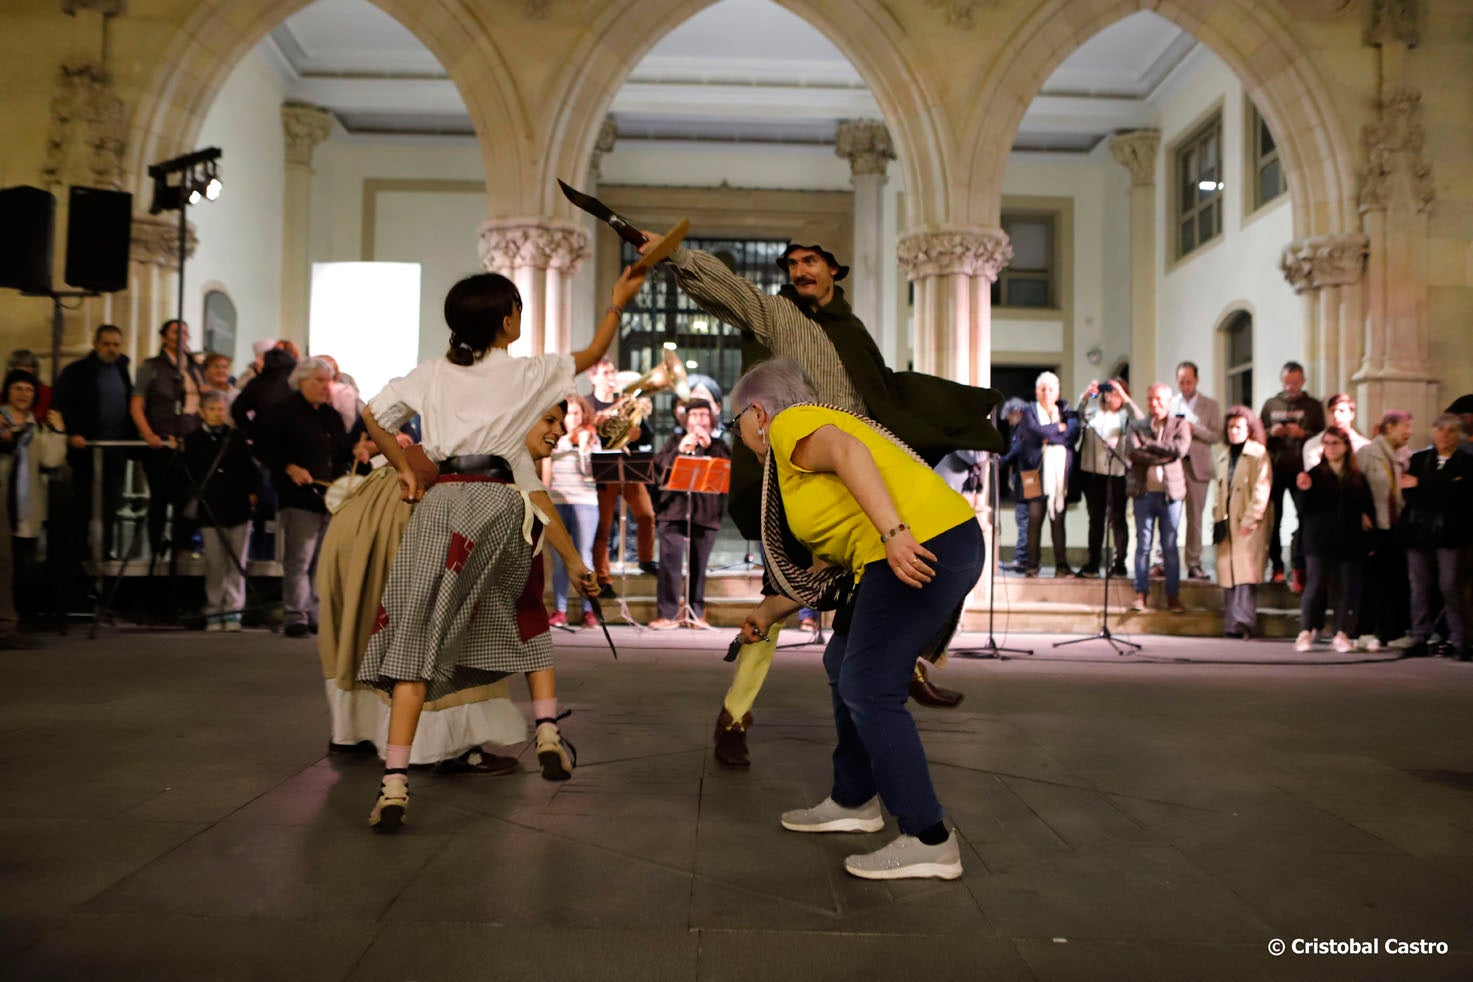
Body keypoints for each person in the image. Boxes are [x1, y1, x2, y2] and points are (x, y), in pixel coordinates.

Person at [640, 230, 997, 762]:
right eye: (792, 263)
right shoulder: (783, 318)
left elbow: (880, 396)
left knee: (903, 571)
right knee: (782, 586)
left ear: (835, 269)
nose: (799, 270)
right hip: (797, 477)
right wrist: (678, 256)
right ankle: (735, 716)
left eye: (810, 260)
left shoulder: (852, 332)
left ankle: (902, 665)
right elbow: (737, 296)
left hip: (855, 484)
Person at [356, 264, 647, 832]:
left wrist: (405, 470)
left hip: (442, 505)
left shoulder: (432, 374)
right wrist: (616, 302)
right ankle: (546, 729)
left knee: (414, 635)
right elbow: (590, 355)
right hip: (499, 502)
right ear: (507, 320)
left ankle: (393, 787)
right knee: (524, 613)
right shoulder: (526, 376)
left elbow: (372, 413)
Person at [729, 359, 981, 880]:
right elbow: (824, 566)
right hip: (915, 544)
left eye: (737, 424)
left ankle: (928, 837)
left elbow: (848, 452)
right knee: (843, 660)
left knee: (869, 686)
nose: (742, 438)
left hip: (920, 544)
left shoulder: (792, 423)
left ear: (758, 413)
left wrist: (892, 534)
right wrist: (767, 612)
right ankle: (854, 801)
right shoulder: (801, 466)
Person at [318, 402, 574, 773]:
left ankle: (355, 730)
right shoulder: (499, 448)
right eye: (550, 420)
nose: (559, 430)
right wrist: (575, 562)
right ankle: (440, 745)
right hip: (417, 512)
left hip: (363, 513)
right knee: (450, 628)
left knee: (369, 622)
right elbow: (538, 503)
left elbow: (377, 415)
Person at [257, 357, 352, 638]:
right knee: (299, 559)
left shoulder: (331, 416)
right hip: (298, 498)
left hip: (329, 498)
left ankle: (315, 613)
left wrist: (362, 450)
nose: (326, 387)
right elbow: (263, 449)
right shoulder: (281, 412)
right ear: (301, 380)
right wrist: (290, 467)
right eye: (319, 381)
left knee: (322, 561)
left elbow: (342, 452)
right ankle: (295, 614)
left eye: (328, 381)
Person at [1292, 425, 1375, 653]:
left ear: (1346, 447)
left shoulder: (1356, 477)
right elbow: (1302, 510)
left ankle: (1341, 633)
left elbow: (1366, 507)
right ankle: (1305, 631)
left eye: (1334, 443)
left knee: (1345, 589)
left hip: (1349, 540)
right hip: (1318, 540)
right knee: (1316, 586)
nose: (1329, 448)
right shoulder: (1314, 475)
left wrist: (1367, 524)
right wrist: (1304, 490)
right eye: (1326, 443)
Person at [648, 398, 730, 629]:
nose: (699, 420)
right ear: (685, 419)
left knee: (698, 566)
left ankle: (696, 613)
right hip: (672, 511)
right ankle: (668, 614)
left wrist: (710, 447)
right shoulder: (674, 441)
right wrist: (679, 451)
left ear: (711, 419)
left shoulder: (720, 445)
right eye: (694, 415)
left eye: (704, 415)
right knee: (669, 565)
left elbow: (727, 472)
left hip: (705, 514)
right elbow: (656, 470)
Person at [181, 389, 259, 630]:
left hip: (238, 507)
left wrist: (251, 496)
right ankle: (214, 610)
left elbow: (250, 471)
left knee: (237, 562)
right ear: (202, 412)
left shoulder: (237, 438)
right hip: (210, 508)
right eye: (212, 409)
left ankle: (234, 611)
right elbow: (187, 475)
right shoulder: (192, 440)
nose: (216, 414)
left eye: (220, 409)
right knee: (214, 563)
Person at [54, 324, 133, 558]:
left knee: (111, 504)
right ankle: (80, 553)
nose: (111, 349)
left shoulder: (122, 369)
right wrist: (72, 432)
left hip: (115, 451)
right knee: (84, 504)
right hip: (86, 451)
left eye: (116, 344)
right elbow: (63, 404)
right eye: (106, 344)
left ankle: (106, 549)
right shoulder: (76, 372)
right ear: (96, 344)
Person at [1400, 414, 1473, 660]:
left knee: (1451, 586)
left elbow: (1461, 497)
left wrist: (1423, 485)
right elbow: (1409, 494)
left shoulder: (1467, 462)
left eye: (1450, 431)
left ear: (1458, 435)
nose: (1444, 435)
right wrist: (1442, 487)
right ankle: (1420, 636)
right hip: (1419, 532)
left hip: (1452, 533)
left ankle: (1461, 640)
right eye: (1440, 429)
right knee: (1419, 587)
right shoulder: (1419, 459)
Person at [130, 319, 205, 558]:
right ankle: (155, 554)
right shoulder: (151, 367)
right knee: (160, 500)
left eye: (185, 332)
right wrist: (148, 433)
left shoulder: (194, 368)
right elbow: (136, 404)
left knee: (187, 502)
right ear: (164, 337)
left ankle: (182, 552)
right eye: (175, 332)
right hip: (161, 444)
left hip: (190, 444)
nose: (181, 336)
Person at [586, 356, 657, 595]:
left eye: (612, 371)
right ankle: (604, 579)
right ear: (592, 376)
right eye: (605, 372)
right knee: (603, 527)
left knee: (646, 515)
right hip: (603, 472)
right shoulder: (588, 405)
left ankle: (646, 559)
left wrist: (638, 435)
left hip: (629, 467)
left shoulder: (626, 402)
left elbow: (647, 437)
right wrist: (597, 424)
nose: (611, 377)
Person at [0, 369, 67, 617]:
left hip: (27, 508)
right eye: (18, 388)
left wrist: (59, 431)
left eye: (29, 389)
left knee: (22, 568)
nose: (23, 394)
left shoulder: (35, 428)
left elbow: (51, 460)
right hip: (2, 507)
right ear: (7, 390)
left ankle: (12, 621)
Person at [1123, 382, 1192, 612]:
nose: (1154, 403)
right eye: (1150, 398)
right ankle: (1140, 594)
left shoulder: (1180, 424)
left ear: (1169, 400)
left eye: (1159, 399)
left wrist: (1150, 445)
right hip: (1144, 492)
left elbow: (1180, 451)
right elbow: (1134, 453)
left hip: (1171, 494)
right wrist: (1164, 453)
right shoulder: (1136, 425)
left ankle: (1173, 596)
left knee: (1170, 546)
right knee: (1143, 546)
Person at [1259, 361, 1325, 584]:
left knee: (1304, 517)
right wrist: (1271, 432)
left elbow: (1321, 436)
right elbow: (1258, 435)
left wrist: (1302, 433)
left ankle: (1299, 565)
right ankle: (1276, 566)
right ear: (1282, 380)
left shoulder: (1314, 406)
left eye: (1295, 383)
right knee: (1273, 520)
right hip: (1275, 469)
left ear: (1303, 382)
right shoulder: (1270, 405)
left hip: (1301, 470)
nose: (1290, 387)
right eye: (1287, 383)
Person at [1356, 411, 1414, 651]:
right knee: (1370, 581)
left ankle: (1394, 632)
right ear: (1389, 427)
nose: (1409, 432)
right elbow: (1355, 485)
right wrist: (1360, 512)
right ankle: (1365, 631)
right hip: (1374, 524)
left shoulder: (1403, 455)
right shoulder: (1367, 453)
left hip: (1395, 525)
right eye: (1405, 427)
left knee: (1396, 580)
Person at [542, 394, 601, 628]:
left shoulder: (591, 437)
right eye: (569, 414)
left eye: (577, 413)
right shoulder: (555, 437)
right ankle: (560, 609)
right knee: (559, 557)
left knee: (584, 556)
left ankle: (590, 610)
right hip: (558, 498)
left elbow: (590, 474)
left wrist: (585, 449)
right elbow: (546, 468)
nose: (573, 419)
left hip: (585, 500)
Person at [1213, 406, 1272, 638]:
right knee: (1230, 574)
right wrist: (1217, 518)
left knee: (1245, 574)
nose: (1233, 431)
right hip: (1227, 522)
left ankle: (1244, 623)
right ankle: (1231, 624)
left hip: (1247, 522)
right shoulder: (1223, 455)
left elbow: (1262, 489)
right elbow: (1219, 491)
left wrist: (1252, 518)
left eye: (1238, 427)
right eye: (1230, 427)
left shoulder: (1258, 454)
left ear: (1249, 429)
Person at [1013, 371, 1078, 578]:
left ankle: (1061, 565)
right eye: (1043, 389)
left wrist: (1051, 435)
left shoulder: (1066, 411)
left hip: (1060, 476)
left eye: (1051, 389)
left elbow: (1073, 434)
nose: (1047, 393)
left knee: (1058, 518)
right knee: (1034, 517)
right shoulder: (1029, 410)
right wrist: (1058, 430)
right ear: (1036, 391)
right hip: (1035, 471)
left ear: (1058, 391)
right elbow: (1033, 433)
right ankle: (1032, 566)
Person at [1170, 361, 1221, 580]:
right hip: (1175, 464)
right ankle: (1165, 561)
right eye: (1181, 381)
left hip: (1198, 466)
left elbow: (1216, 435)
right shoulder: (1171, 404)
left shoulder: (1210, 405)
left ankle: (1194, 562)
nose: (1185, 385)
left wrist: (1194, 428)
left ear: (1197, 380)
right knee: (1170, 515)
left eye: (1189, 381)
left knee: (1195, 517)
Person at [1075, 377, 1130, 578]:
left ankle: (1119, 562)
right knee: (1095, 519)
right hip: (1091, 473)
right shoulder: (1093, 413)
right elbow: (1076, 415)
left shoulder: (1125, 416)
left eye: (1115, 393)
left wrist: (1123, 396)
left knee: (1117, 519)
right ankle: (1093, 562)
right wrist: (1087, 395)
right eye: (1107, 391)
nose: (1109, 396)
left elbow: (1138, 420)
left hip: (1116, 474)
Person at [995, 397, 1030, 573]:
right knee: (1023, 519)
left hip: (1026, 480)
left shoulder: (1024, 428)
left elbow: (1018, 450)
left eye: (1009, 418)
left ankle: (1022, 559)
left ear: (1017, 413)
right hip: (1021, 478)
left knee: (1023, 518)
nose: (1008, 422)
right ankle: (1022, 558)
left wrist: (1002, 460)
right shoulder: (1022, 428)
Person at [5, 350, 51, 418]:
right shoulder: (4, 394)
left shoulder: (47, 393)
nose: (25, 369)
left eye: (30, 366)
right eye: (20, 365)